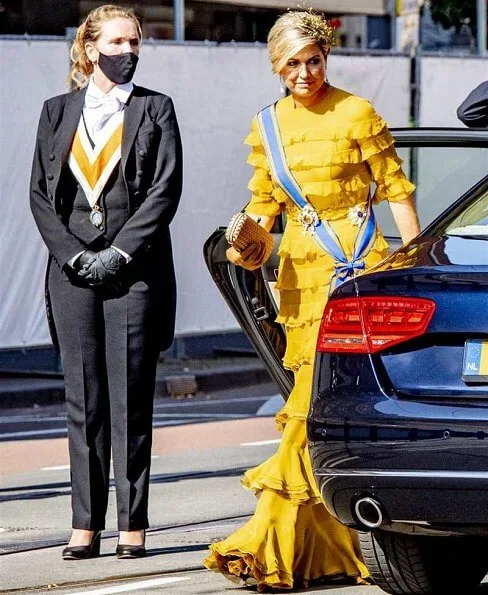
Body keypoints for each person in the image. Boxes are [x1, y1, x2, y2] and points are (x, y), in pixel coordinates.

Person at [204, 10, 420, 591]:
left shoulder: (356, 111)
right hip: (299, 271)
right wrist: (246, 241)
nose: (305, 72)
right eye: (292, 64)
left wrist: (413, 259)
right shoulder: (268, 125)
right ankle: (331, 547)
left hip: (356, 264)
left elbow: (396, 190)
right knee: (316, 399)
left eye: (314, 60)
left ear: (327, 56)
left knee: (318, 402)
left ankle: (270, 542)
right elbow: (264, 211)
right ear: (277, 67)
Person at [30, 4, 182, 559]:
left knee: (130, 401)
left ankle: (132, 524)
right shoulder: (56, 111)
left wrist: (118, 252)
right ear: (91, 47)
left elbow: (165, 190)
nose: (129, 52)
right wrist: (74, 256)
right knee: (84, 400)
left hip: (133, 270)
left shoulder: (155, 109)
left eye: (135, 42)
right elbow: (41, 198)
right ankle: (84, 524)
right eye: (118, 42)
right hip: (72, 273)